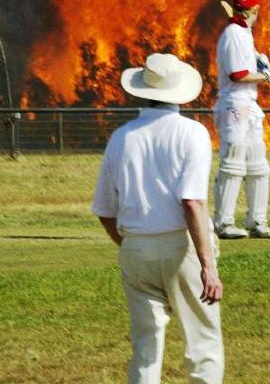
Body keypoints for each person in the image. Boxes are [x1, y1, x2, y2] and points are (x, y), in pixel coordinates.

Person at [92, 52, 224, 384]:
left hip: (136, 248)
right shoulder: (192, 134)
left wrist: (131, 244)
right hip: (182, 246)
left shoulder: (122, 137)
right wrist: (207, 264)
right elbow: (192, 202)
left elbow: (105, 211)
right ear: (179, 92)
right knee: (202, 340)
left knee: (145, 347)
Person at [212, 0, 270, 239]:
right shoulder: (232, 34)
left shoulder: (242, 33)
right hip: (234, 104)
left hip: (249, 104)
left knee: (258, 166)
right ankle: (223, 223)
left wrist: (260, 60)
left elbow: (246, 64)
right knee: (232, 163)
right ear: (256, 10)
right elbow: (238, 75)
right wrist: (267, 76)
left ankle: (257, 221)